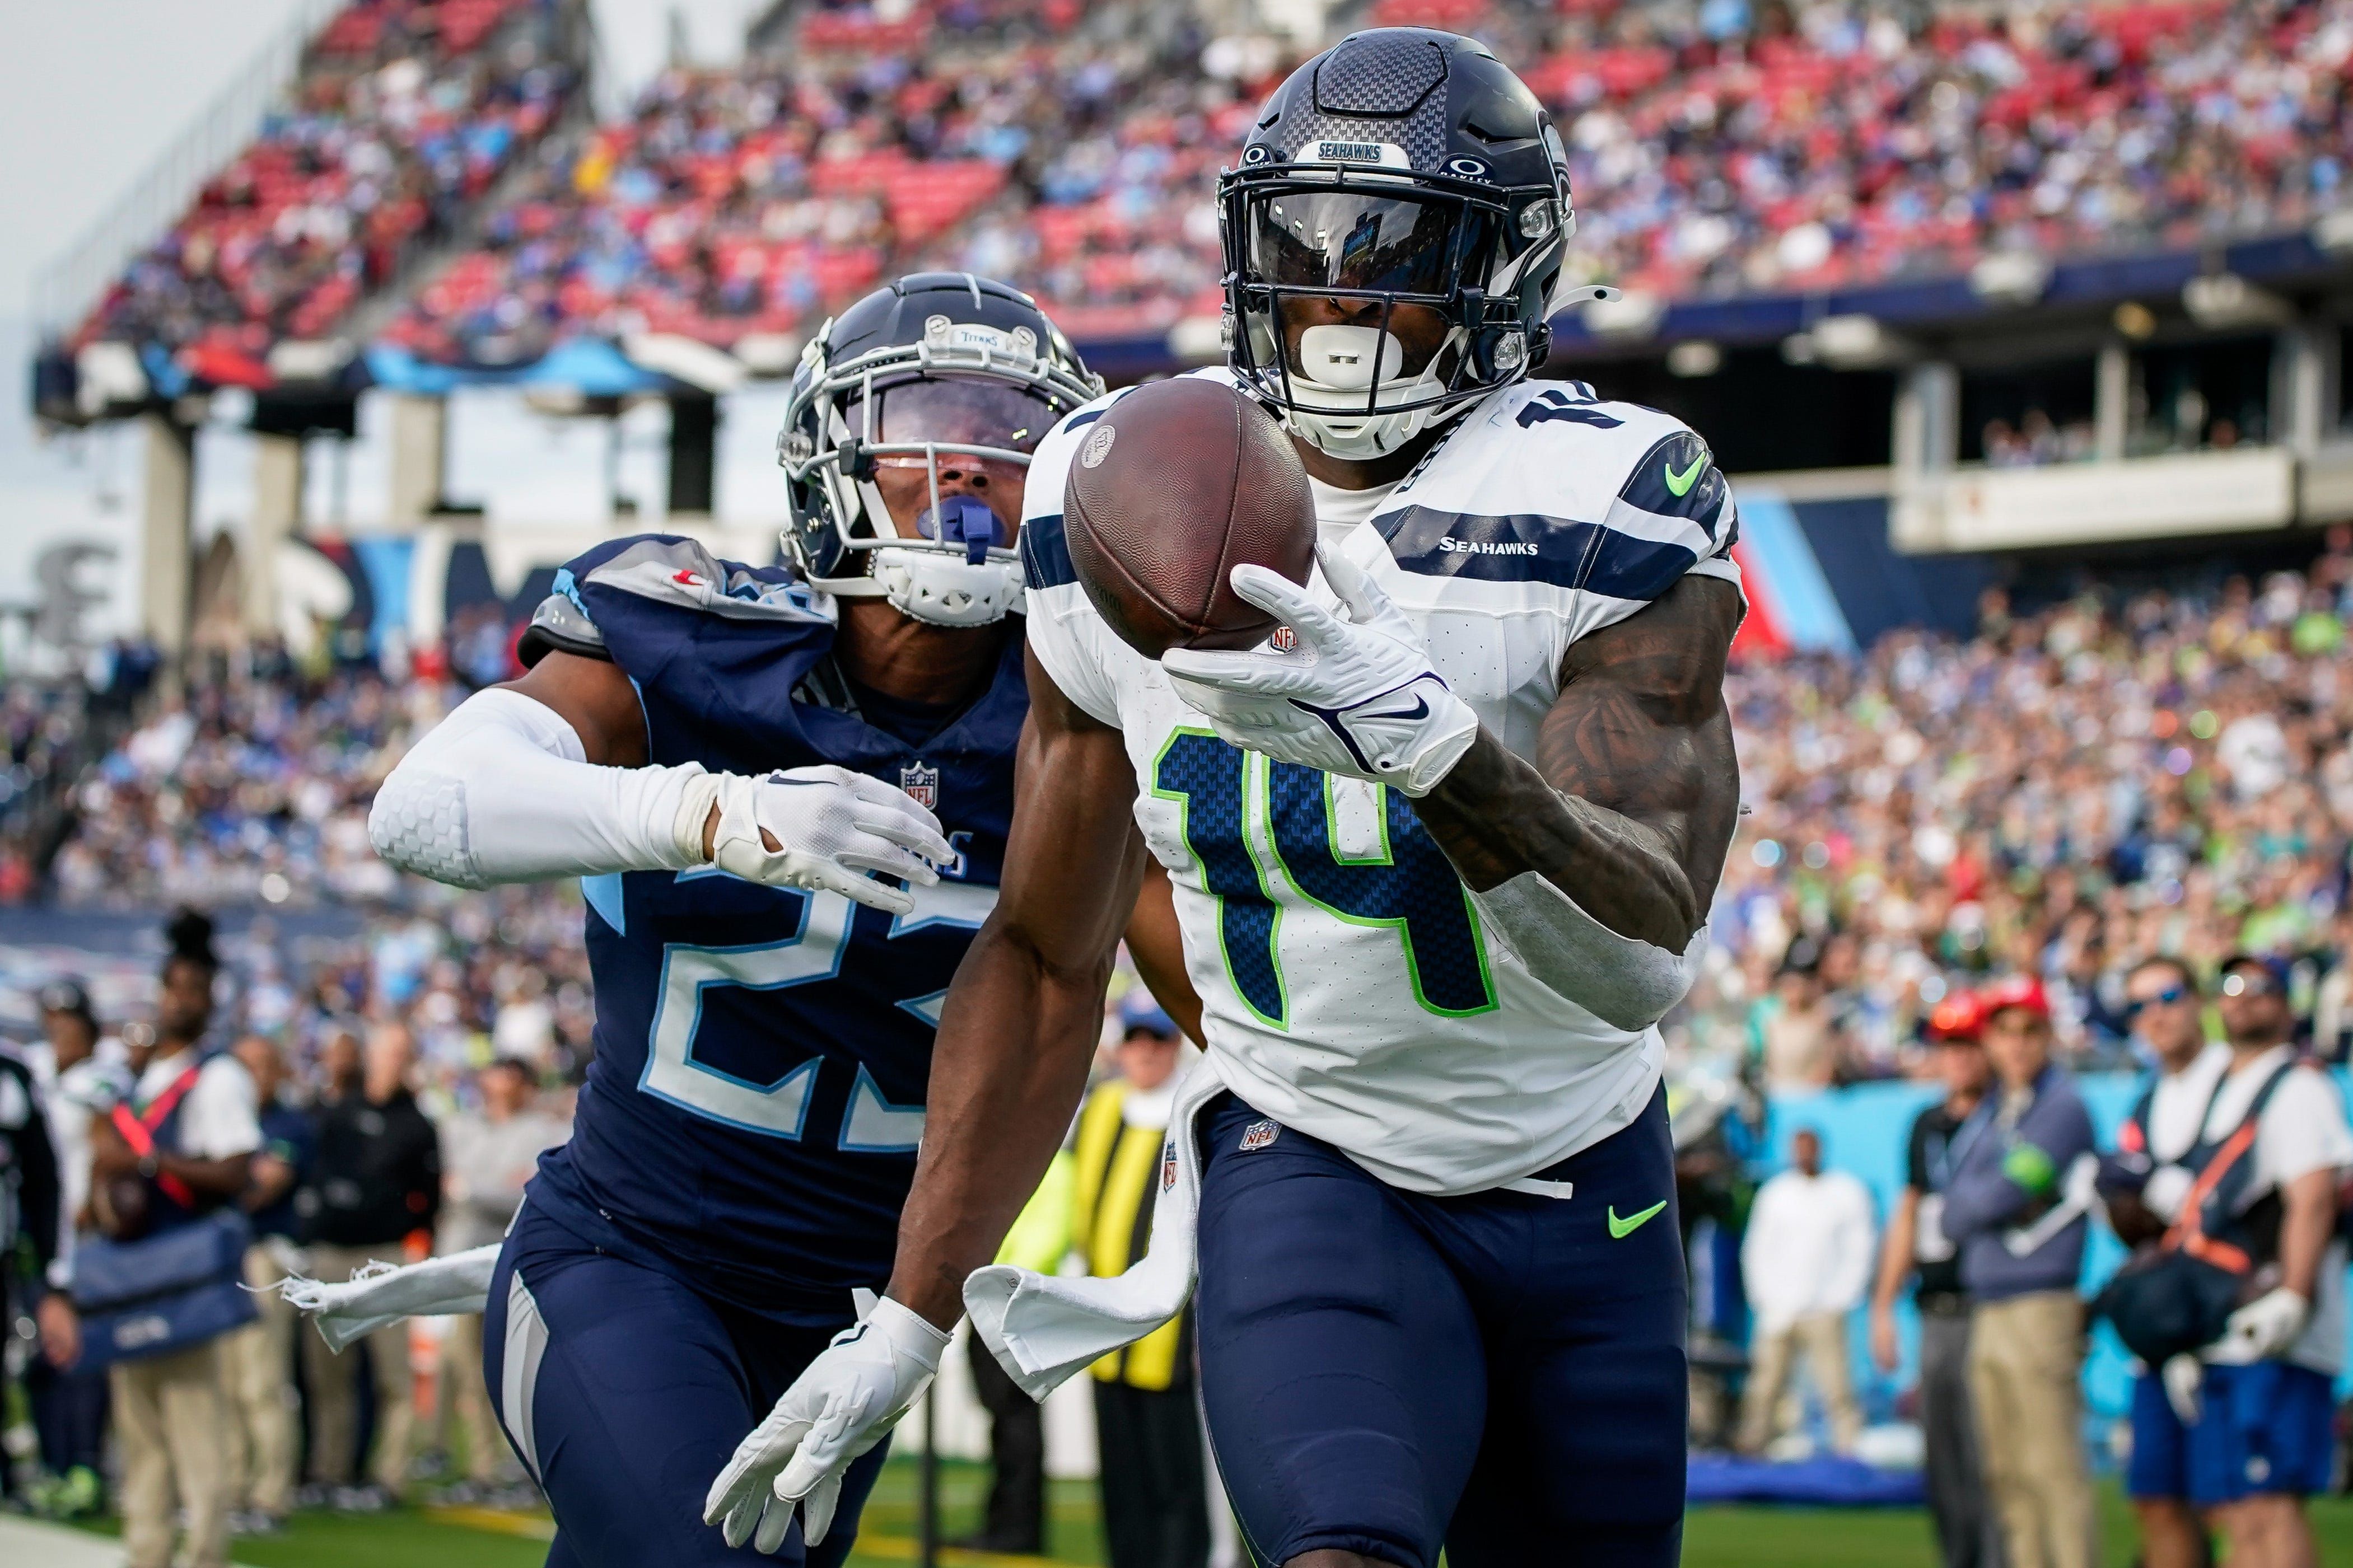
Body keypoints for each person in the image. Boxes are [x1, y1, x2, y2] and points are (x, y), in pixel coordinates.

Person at [714, 32, 1738, 1567]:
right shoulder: (1114, 492)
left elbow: (1634, 960)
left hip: (1578, 1162)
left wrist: (1413, 730)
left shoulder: (1601, 495)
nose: (1338, 304)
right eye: (1304, 247)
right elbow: (1052, 953)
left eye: (1395, 255)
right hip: (1307, 1147)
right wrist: (915, 1312)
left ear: (1506, 268)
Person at [358, 274, 1127, 1567]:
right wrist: (712, 816)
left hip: (854, 1317)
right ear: (835, 455)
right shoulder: (689, 631)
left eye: (1013, 439)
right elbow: (422, 807)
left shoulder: (1086, 716)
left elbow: (1159, 980)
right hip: (628, 1254)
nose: (974, 473)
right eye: (932, 428)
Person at [84, 912, 260, 1568]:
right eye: (174, 988)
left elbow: (237, 1168)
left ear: (211, 997)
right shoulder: (139, 1078)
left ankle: (204, 1551)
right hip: (132, 1263)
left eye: (195, 990)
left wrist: (153, 1164)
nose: (182, 1001)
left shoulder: (218, 1077)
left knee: (196, 1427)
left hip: (183, 1266)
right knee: (141, 1428)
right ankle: (146, 1548)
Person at [2182, 954, 2353, 1568]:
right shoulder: (2225, 1088)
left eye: (2261, 987)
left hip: (2276, 1328)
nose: (2243, 997)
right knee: (2238, 1507)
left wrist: (2294, 1297)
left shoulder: (2299, 1085)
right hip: (2229, 1327)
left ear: (2286, 1003)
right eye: (2230, 985)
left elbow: (2311, 1199)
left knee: (2272, 1501)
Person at [1941, 976, 2099, 1568]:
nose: (2015, 1044)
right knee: (2006, 1475)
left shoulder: (2061, 1108)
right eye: (2003, 1031)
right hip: (1992, 1301)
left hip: (2040, 1303)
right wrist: (1978, 1199)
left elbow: (1984, 1201)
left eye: (2028, 1030)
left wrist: (1977, 1199)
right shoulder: (1996, 1110)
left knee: (2051, 1472)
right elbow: (1957, 1204)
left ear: (2048, 1035)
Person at [1869, 991, 2004, 1568]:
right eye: (1949, 1046)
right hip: (1935, 1306)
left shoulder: (2005, 1116)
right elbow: (1909, 1209)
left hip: (1990, 1302)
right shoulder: (1926, 1122)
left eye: (1968, 1045)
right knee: (1942, 1452)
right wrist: (1882, 1303)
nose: (1958, 1058)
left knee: (1989, 1451)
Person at [1076, 995, 1208, 1568]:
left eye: (1157, 1039)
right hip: (1105, 1327)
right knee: (1120, 1475)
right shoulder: (1103, 1107)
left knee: (1176, 1477)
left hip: (1175, 1336)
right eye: (1136, 1039)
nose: (1145, 1051)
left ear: (1175, 1043)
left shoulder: (1196, 1113)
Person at [2105, 958, 2229, 1568]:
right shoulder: (2148, 1099)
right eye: (2138, 1004)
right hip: (2162, 1324)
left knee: (2243, 1505)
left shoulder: (2237, 1080)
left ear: (2197, 998)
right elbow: (2134, 1215)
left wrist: (2151, 1186)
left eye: (2168, 995)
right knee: (2154, 1495)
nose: (2154, 1013)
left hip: (2227, 1319)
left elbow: (2228, 1201)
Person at [300, 1021, 441, 1508]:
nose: (391, 1061)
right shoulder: (338, 1111)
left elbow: (432, 1197)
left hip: (385, 1254)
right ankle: (329, 1469)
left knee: (393, 1374)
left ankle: (389, 1477)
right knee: (327, 1372)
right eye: (385, 1051)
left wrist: (415, 1247)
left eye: (401, 1053)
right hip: (332, 1249)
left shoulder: (417, 1123)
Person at [434, 1057, 569, 1497]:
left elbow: (524, 1190)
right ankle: (482, 1468)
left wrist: (472, 1189)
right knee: (466, 1373)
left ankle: (522, 1468)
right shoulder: (460, 1127)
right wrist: (484, 1188)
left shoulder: (545, 1132)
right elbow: (447, 1183)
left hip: (515, 1265)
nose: (500, 1085)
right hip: (458, 1263)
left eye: (512, 1077)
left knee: (520, 1373)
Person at [22, 980, 123, 1518]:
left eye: (70, 1019)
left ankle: (84, 1467)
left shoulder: (103, 1078)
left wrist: (94, 1199)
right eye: (53, 1018)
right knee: (38, 1359)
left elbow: (109, 1148)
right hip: (38, 1239)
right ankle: (51, 1464)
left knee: (81, 1357)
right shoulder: (32, 1070)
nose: (60, 1028)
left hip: (84, 1240)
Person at [220, 1034, 312, 1534]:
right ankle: (233, 1486)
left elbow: (258, 1188)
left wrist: (214, 1177)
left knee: (262, 1379)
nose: (252, 1076)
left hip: (263, 1254)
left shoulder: (288, 1122)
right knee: (229, 1380)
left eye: (261, 1066)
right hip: (223, 1254)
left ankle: (270, 1494)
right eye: (244, 1066)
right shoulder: (227, 1117)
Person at [1736, 1127, 1874, 1457]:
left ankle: (1847, 1450)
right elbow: (1758, 1249)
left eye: (1810, 1148)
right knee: (1765, 1384)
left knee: (1836, 1386)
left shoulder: (1845, 1191)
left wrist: (1841, 1296)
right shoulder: (1776, 1193)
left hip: (1824, 1307)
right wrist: (1765, 1298)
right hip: (1779, 1308)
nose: (1804, 1155)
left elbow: (1860, 1247)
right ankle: (1752, 1447)